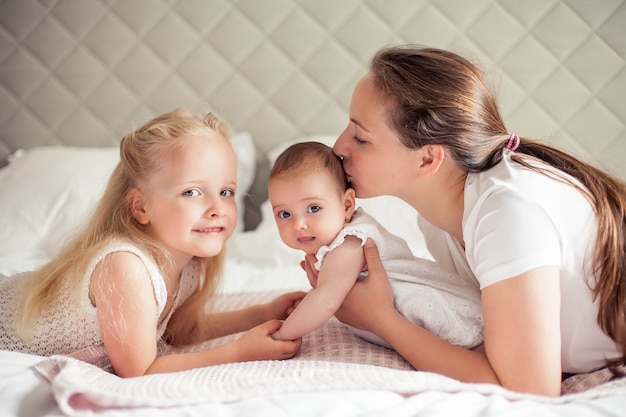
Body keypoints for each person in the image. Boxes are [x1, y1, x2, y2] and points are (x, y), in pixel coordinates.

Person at [302, 44, 626, 397]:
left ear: (428, 160)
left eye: (360, 137)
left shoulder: (507, 210)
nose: (338, 147)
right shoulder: (439, 218)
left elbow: (530, 390)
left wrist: (382, 319)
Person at [0, 108, 305, 377]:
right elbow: (139, 370)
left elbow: (176, 330)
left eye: (226, 191)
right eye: (191, 192)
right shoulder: (125, 266)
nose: (218, 208)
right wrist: (239, 351)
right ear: (141, 208)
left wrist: (262, 314)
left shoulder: (187, 263)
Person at [268, 141, 483, 350]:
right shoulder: (337, 241)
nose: (299, 225)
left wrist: (281, 335)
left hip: (441, 311)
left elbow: (325, 299)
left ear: (347, 205)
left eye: (313, 208)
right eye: (284, 214)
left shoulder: (349, 243)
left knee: (474, 344)